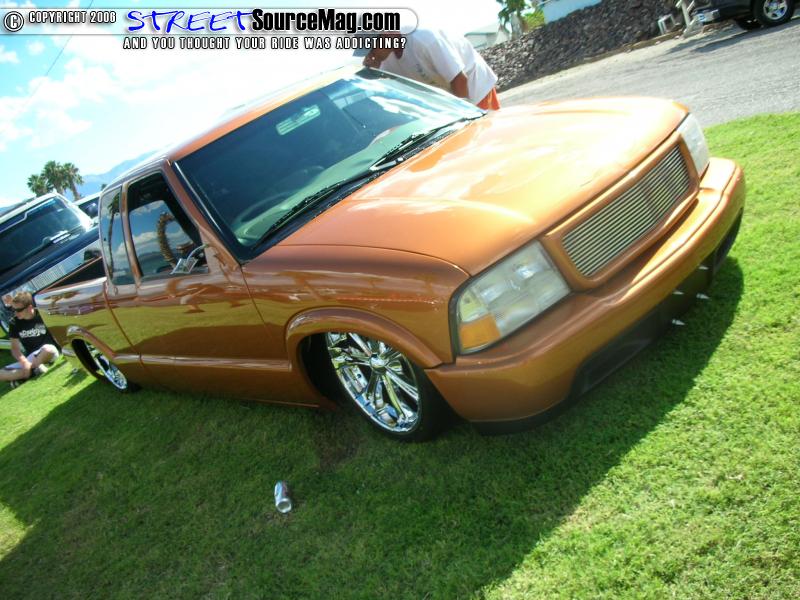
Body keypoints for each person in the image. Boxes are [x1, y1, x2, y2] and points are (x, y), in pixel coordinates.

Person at [358, 28, 501, 110]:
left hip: (475, 85)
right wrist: (374, 72)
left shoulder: (424, 39)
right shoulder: (384, 61)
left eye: (371, 50)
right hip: (451, 94)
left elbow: (459, 78)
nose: (370, 56)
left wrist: (466, 114)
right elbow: (392, 97)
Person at [1, 292, 60, 388]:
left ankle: (24, 375)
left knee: (48, 349)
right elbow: (15, 349)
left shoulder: (42, 314)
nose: (15, 313)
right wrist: (24, 362)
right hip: (30, 358)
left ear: (29, 307)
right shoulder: (14, 322)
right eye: (13, 310)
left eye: (19, 310)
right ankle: (34, 371)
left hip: (48, 352)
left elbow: (57, 334)